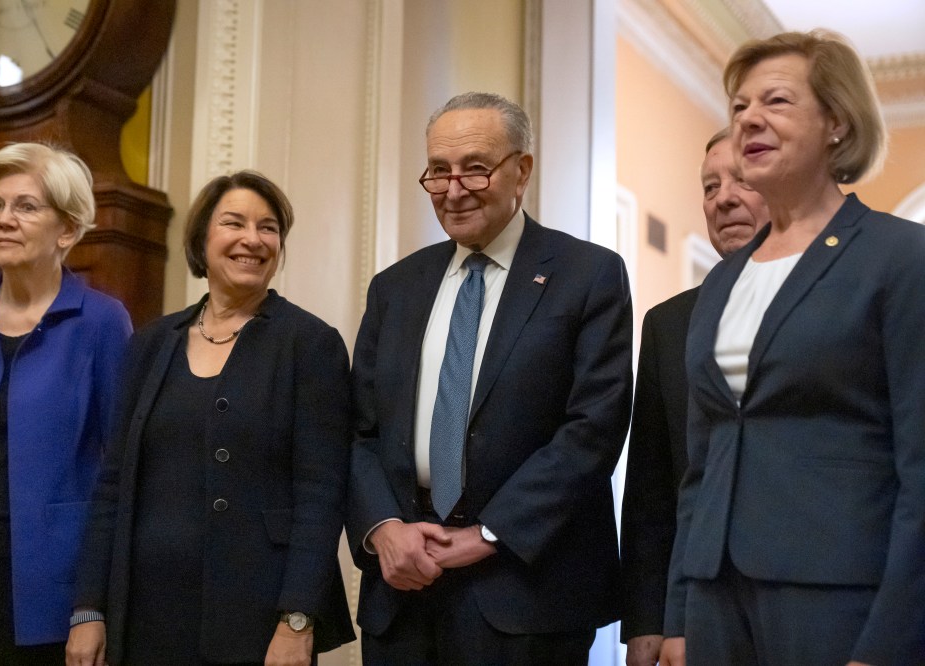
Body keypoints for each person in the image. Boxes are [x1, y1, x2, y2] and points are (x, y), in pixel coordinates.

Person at [660, 30, 925, 666]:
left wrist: (892, 639)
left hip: (840, 595)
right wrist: (679, 614)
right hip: (716, 595)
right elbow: (701, 464)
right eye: (740, 106)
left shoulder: (900, 258)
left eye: (776, 101)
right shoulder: (722, 279)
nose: (749, 117)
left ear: (836, 121)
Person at [348, 91, 633, 665]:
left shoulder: (588, 275)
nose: (454, 190)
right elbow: (359, 430)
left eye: (475, 168)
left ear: (521, 170)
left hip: (528, 593)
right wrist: (383, 528)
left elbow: (593, 428)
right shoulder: (395, 288)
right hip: (405, 587)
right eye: (438, 172)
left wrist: (487, 534)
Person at [66, 171, 355, 666]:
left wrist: (298, 620)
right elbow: (112, 483)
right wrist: (88, 607)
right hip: (144, 611)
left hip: (257, 616)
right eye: (234, 222)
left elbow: (321, 495)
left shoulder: (310, 344)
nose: (253, 239)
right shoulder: (151, 343)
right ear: (202, 238)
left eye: (268, 228)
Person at [0, 143, 132, 664]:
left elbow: (121, 474)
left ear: (67, 229)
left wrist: (93, 607)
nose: (4, 220)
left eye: (25, 206)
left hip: (48, 588)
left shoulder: (102, 323)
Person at [620, 127, 768, 666]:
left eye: (742, 181)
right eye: (709, 187)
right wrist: (647, 623)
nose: (723, 198)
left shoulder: (844, 303)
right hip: (698, 611)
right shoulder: (669, 324)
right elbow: (653, 488)